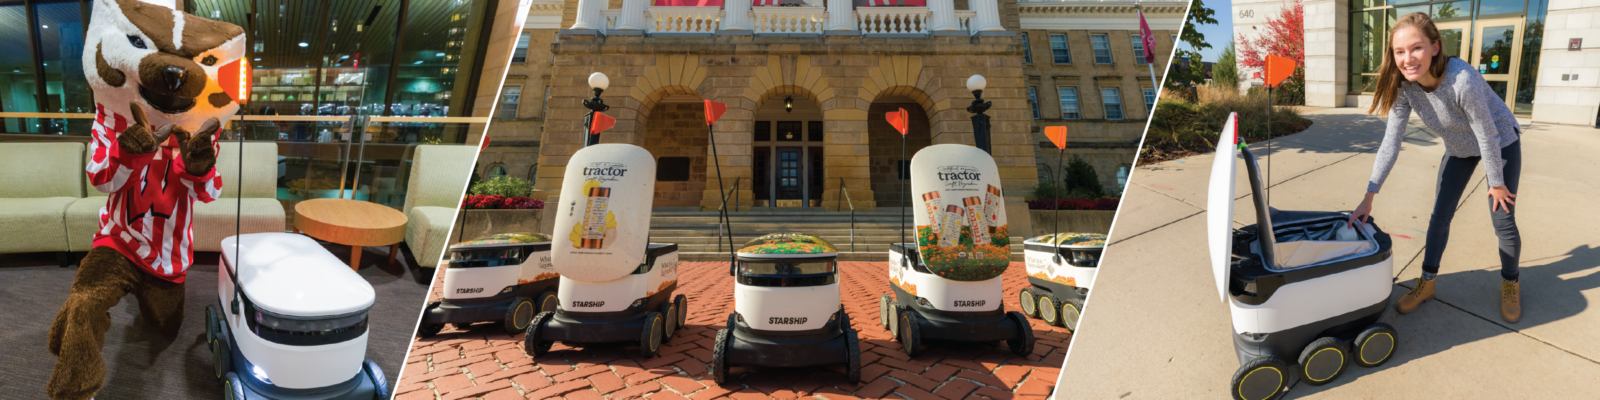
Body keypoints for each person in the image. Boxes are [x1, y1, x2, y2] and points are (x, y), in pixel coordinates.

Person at [1352, 12, 1524, 322]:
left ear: (1435, 46)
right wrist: (1370, 194)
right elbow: (1391, 142)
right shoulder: (1405, 87)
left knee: (1502, 220)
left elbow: (1487, 134)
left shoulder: (1462, 79)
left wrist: (1495, 182)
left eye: (1416, 48)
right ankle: (1427, 283)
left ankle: (1510, 284)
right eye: (1399, 51)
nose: (1407, 59)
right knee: (1439, 216)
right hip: (1459, 150)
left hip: (1500, 143)